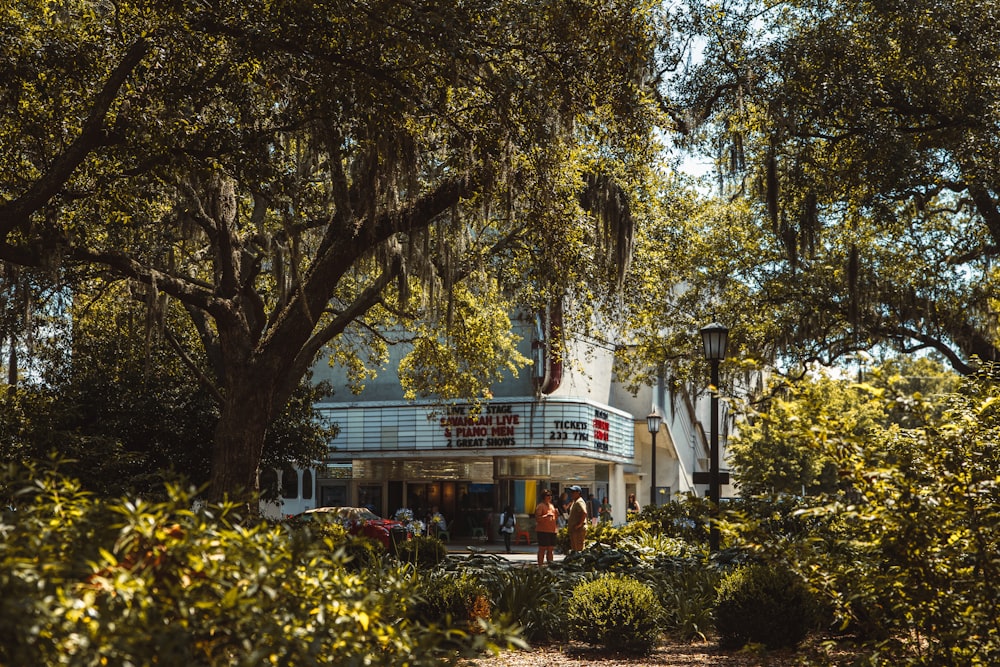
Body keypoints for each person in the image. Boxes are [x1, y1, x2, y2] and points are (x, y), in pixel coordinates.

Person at [534, 489, 559, 565]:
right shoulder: (540, 506)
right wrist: (546, 516)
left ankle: (550, 565)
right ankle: (540, 566)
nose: (550, 497)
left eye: (550, 495)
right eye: (548, 495)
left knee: (550, 549)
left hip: (552, 530)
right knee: (542, 548)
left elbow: (554, 518)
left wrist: (556, 514)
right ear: (544, 497)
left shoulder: (551, 506)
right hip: (543, 531)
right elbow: (538, 519)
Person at [567, 485, 588, 553]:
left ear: (578, 493)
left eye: (573, 492)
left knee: (579, 549)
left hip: (578, 529)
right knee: (574, 548)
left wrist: (579, 524)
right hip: (574, 529)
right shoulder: (574, 502)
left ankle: (580, 562)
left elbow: (584, 512)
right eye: (571, 492)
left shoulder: (579, 502)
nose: (571, 493)